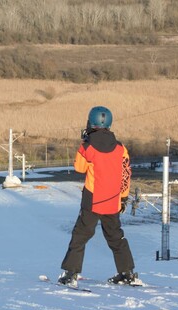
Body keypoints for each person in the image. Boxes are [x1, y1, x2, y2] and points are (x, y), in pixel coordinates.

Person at [58, 106, 138, 287]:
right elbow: (126, 174)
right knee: (116, 237)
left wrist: (85, 143)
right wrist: (123, 198)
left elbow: (79, 168)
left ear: (91, 122)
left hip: (93, 199)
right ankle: (126, 273)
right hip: (113, 200)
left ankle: (71, 274)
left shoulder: (87, 146)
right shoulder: (120, 148)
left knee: (80, 236)